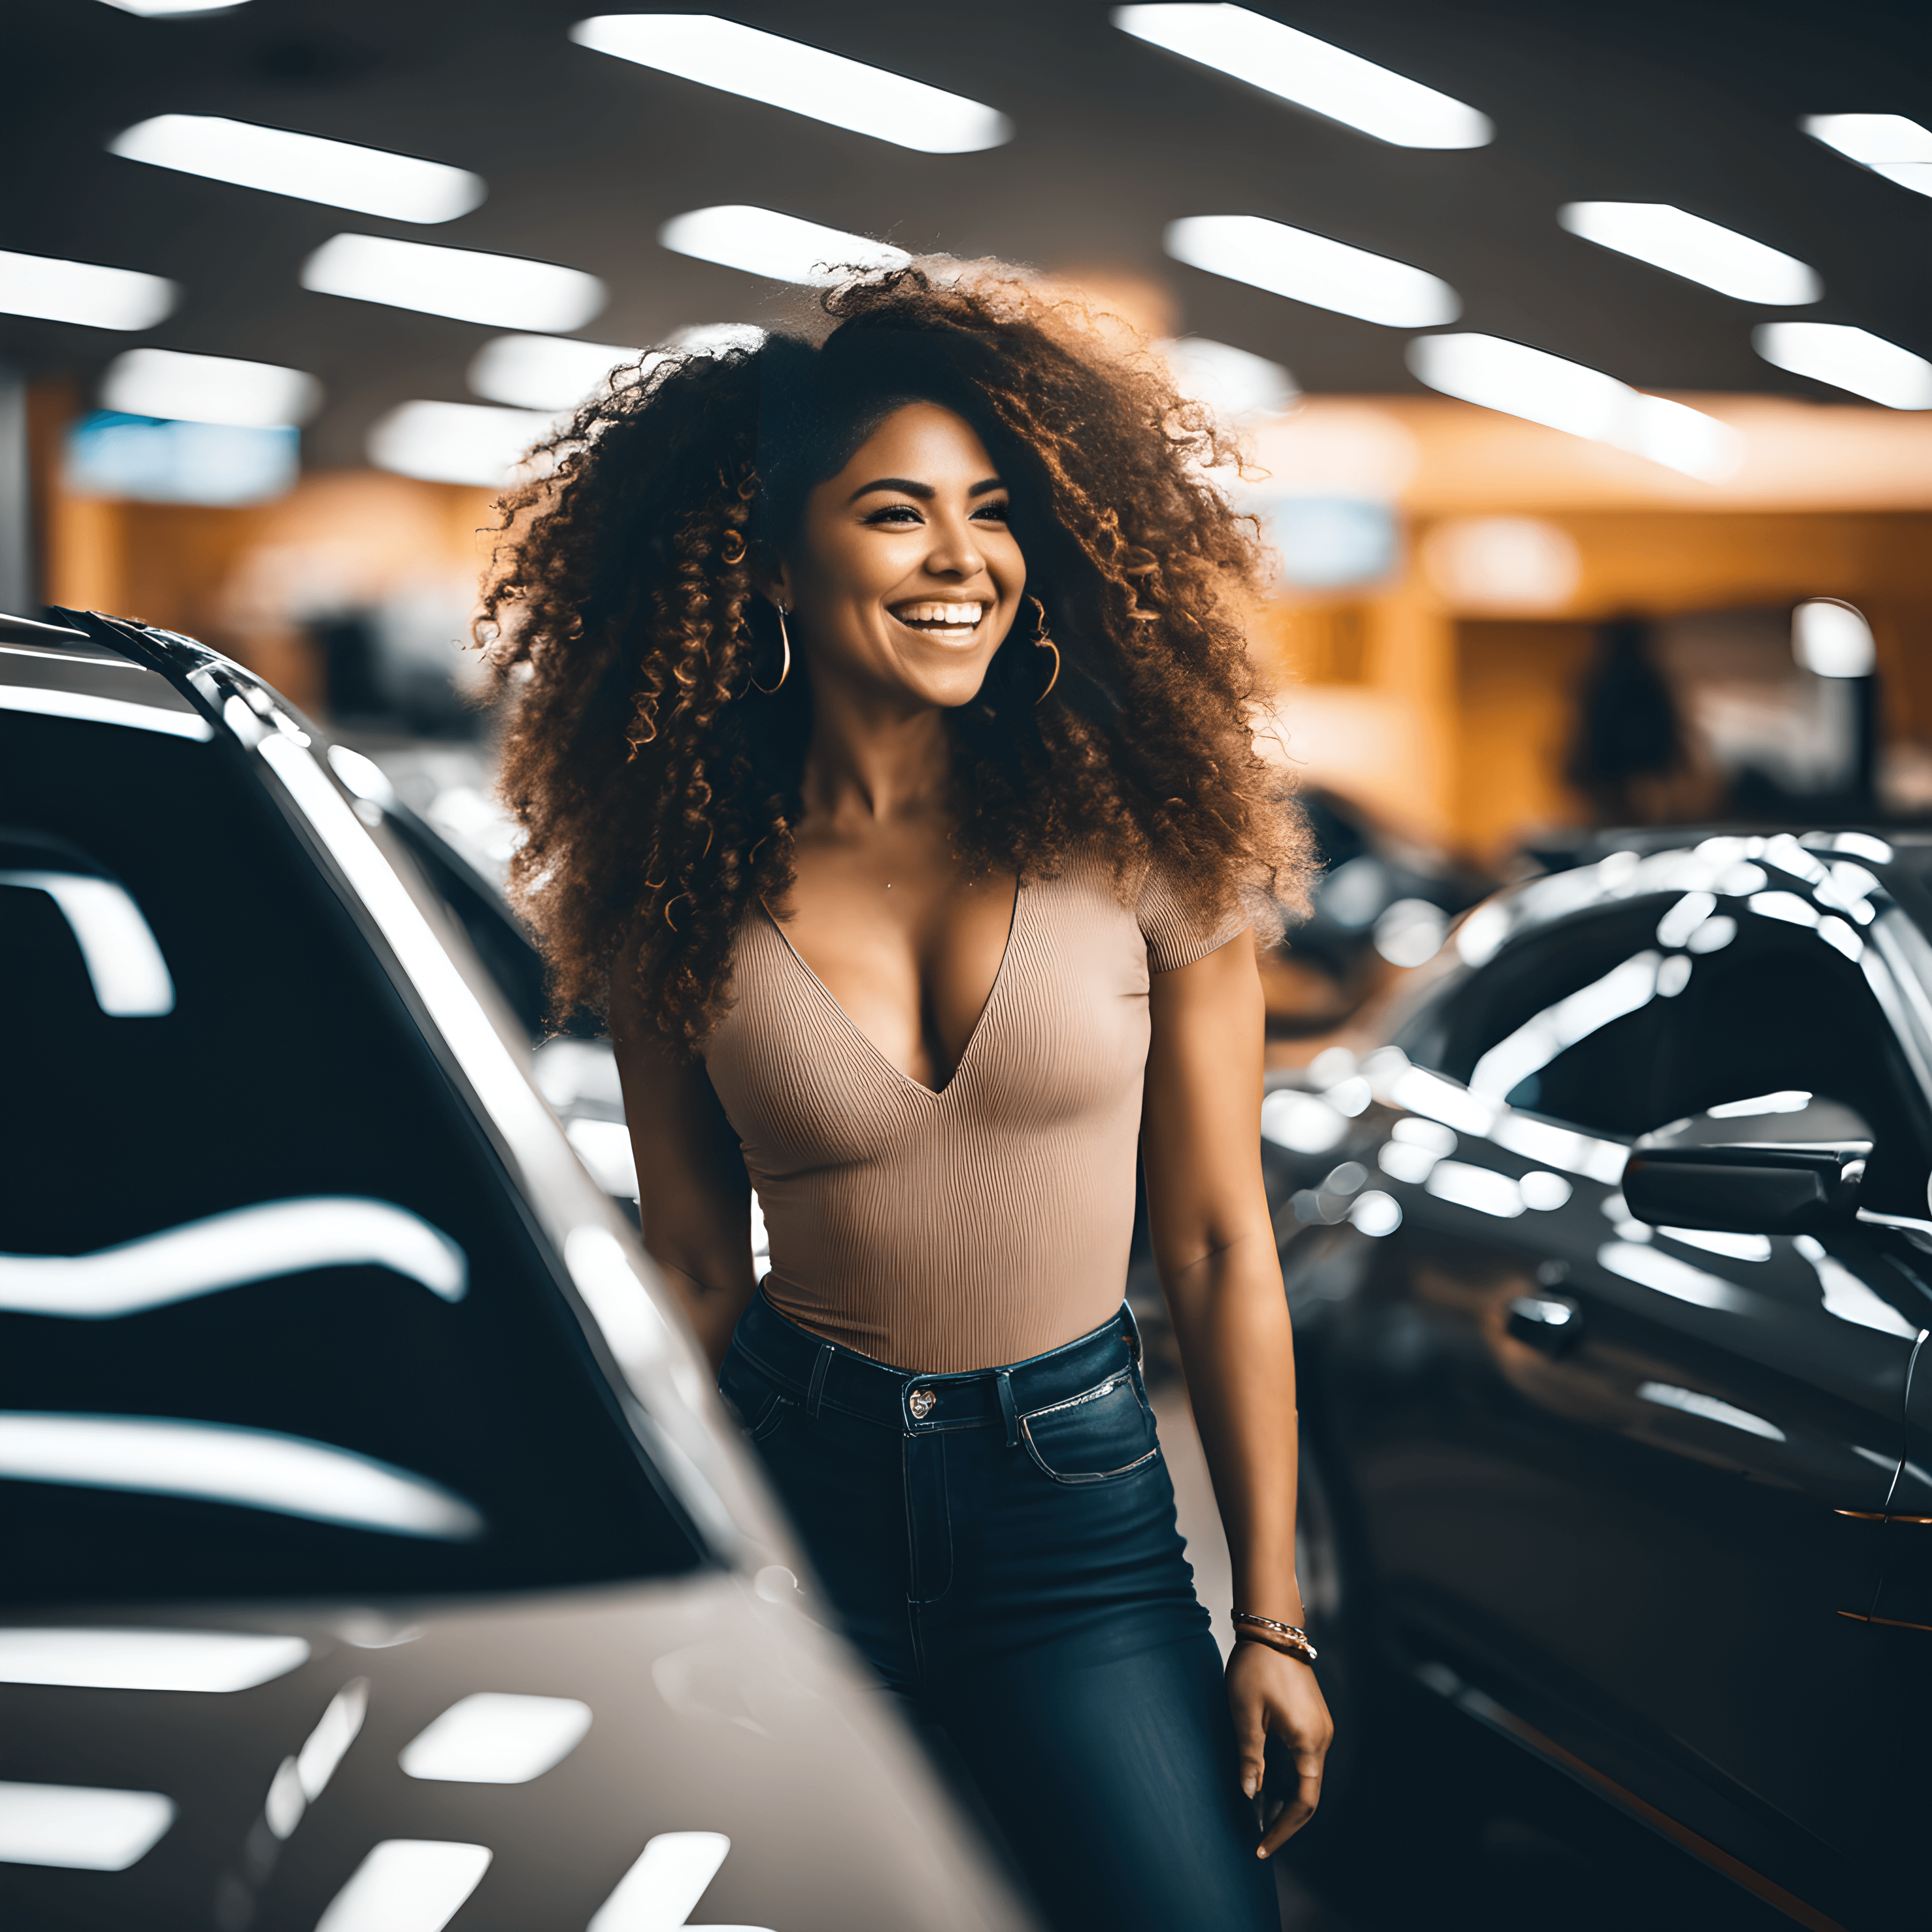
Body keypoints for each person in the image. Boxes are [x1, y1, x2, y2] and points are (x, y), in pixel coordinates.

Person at [480, 264, 1331, 1931]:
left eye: (995, 512)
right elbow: (698, 1273)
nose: (963, 562)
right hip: (807, 1499)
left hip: (1077, 1520)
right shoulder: (678, 883)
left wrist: (1276, 1624)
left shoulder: (1149, 840)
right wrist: (633, 1567)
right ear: (776, 557)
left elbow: (1226, 1246)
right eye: (896, 514)